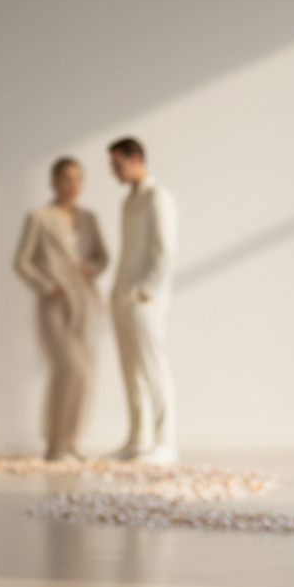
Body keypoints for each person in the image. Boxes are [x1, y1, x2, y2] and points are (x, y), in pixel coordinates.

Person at [14, 157, 109, 460]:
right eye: (67, 179)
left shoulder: (89, 218)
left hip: (87, 303)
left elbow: (103, 257)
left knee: (85, 373)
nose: (73, 186)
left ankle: (72, 442)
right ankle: (54, 444)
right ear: (54, 181)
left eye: (79, 179)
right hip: (55, 302)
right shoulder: (38, 218)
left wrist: (89, 269)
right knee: (68, 368)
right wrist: (47, 286)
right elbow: (21, 261)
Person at [107, 137, 178, 464]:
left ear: (135, 158)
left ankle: (166, 443)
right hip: (121, 295)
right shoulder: (128, 201)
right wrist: (120, 291)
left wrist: (145, 292)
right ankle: (139, 439)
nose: (114, 171)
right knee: (130, 371)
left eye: (117, 164)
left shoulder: (158, 197)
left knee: (154, 368)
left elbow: (164, 250)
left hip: (144, 300)